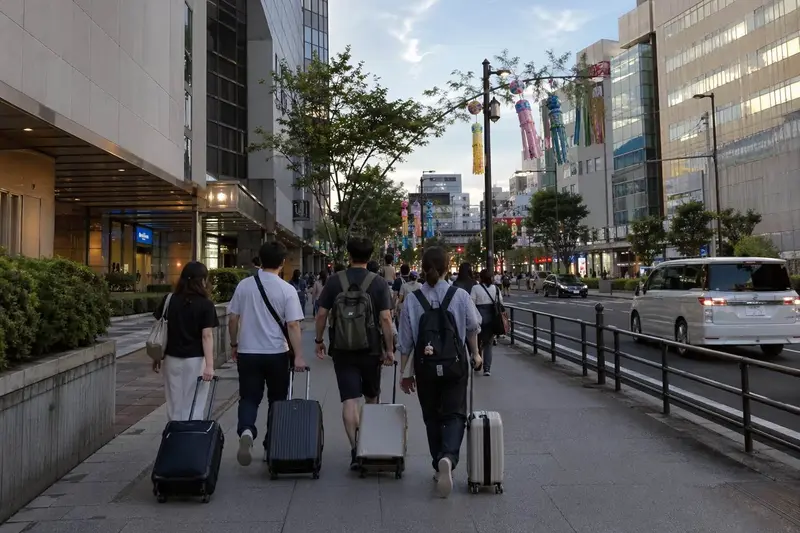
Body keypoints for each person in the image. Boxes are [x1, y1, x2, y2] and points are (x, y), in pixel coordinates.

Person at [398, 247, 481, 498]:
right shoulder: (460, 295)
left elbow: (405, 341)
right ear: (447, 267)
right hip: (455, 365)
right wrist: (476, 354)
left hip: (426, 367)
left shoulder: (412, 299)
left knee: (432, 416)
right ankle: (448, 457)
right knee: (455, 413)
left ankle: (438, 463)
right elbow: (473, 327)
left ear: (423, 268)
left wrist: (405, 373)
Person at [314, 237, 395, 470]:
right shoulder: (378, 283)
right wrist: (389, 349)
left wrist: (319, 340)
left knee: (349, 400)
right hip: (371, 349)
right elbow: (386, 319)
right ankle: (370, 446)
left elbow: (321, 314)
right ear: (370, 257)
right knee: (371, 398)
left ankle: (355, 448)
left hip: (342, 349)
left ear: (348, 256)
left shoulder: (334, 281)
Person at [227, 241, 308, 467]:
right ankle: (271, 443)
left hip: (248, 352)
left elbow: (232, 318)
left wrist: (234, 343)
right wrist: (299, 355)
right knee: (277, 400)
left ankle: (246, 431)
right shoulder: (287, 289)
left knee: (249, 397)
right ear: (282, 263)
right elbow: (292, 325)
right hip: (276, 353)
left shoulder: (244, 285)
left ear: (260, 261)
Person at [152, 261, 218, 421]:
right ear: (202, 280)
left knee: (174, 403)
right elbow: (206, 335)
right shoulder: (206, 305)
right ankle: (190, 439)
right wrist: (210, 365)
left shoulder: (169, 300)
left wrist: (156, 356)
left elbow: (160, 329)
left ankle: (174, 437)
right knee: (195, 402)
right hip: (195, 361)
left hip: (171, 359)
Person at [471, 269, 504, 376]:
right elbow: (500, 302)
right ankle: (487, 368)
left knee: (477, 342)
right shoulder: (496, 289)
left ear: (481, 278)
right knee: (488, 344)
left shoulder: (475, 288)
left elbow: (471, 303)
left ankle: (478, 364)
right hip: (492, 318)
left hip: (478, 317)